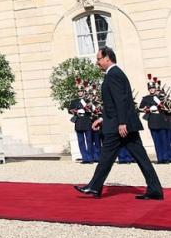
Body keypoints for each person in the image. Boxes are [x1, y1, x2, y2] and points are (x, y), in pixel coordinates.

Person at [74, 47, 163, 200]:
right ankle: (155, 189)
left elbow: (120, 101)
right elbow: (112, 104)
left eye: (99, 59)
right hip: (120, 123)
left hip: (119, 126)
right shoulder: (115, 74)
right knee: (138, 157)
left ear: (107, 58)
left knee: (107, 157)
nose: (97, 62)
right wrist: (102, 118)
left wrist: (122, 122)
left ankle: (94, 187)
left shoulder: (114, 74)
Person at [139, 75, 170, 163]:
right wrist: (148, 108)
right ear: (148, 89)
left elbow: (167, 106)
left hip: (162, 120)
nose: (152, 89)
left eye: (153, 88)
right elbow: (140, 108)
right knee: (157, 141)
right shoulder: (146, 98)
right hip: (153, 120)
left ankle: (166, 158)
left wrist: (161, 105)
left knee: (164, 141)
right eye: (150, 88)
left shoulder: (161, 97)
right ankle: (160, 158)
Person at [69, 81, 94, 163]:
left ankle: (90, 158)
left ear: (84, 92)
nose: (80, 92)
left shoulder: (88, 100)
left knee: (89, 140)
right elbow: (70, 110)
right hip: (78, 122)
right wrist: (74, 111)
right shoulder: (74, 101)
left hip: (86, 121)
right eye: (78, 91)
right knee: (81, 141)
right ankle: (85, 158)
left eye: (81, 91)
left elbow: (92, 110)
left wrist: (87, 108)